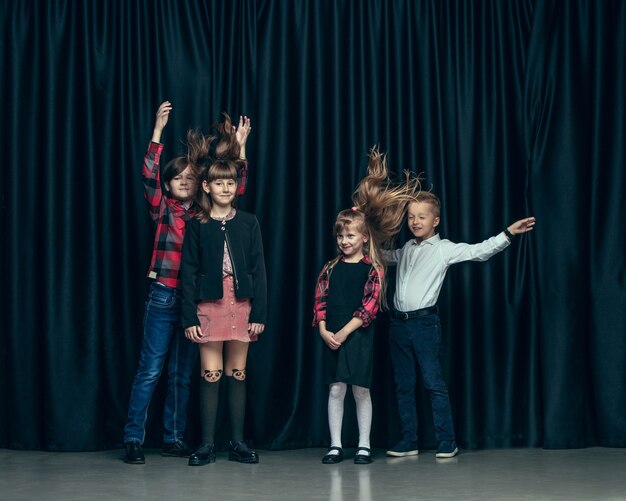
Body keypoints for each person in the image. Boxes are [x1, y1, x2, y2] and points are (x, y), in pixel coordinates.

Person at [123, 101, 251, 464]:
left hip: (196, 300)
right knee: (151, 368)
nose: (183, 182)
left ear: (199, 186)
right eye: (176, 178)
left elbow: (234, 187)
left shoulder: (203, 215)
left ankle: (173, 437)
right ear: (168, 184)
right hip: (164, 295)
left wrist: (239, 146)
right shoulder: (161, 208)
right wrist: (157, 132)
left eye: (189, 178)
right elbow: (148, 175)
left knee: (181, 371)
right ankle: (133, 437)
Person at [383, 191, 536, 459]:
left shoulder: (444, 249)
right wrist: (362, 231)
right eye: (411, 217)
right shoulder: (407, 248)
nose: (415, 222)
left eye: (422, 216)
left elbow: (479, 251)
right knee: (403, 385)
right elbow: (384, 257)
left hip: (424, 324)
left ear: (436, 220)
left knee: (433, 383)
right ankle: (409, 440)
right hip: (398, 325)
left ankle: (447, 441)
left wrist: (508, 234)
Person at [313, 148, 421, 465]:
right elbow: (319, 302)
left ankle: (363, 444)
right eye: (340, 236)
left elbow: (369, 308)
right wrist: (323, 330)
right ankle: (335, 445)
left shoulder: (373, 268)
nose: (344, 241)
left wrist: (344, 332)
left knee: (360, 389)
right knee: (336, 390)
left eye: (350, 235)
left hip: (356, 336)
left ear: (363, 238)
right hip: (331, 333)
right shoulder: (329, 268)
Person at [181, 136, 267, 466]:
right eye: (219, 183)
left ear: (236, 186)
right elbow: (187, 273)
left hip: (242, 305)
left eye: (230, 182)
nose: (225, 188)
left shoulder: (248, 222)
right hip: (209, 307)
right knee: (211, 372)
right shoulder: (197, 224)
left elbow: (259, 269)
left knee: (238, 372)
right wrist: (189, 317)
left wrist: (259, 311)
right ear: (207, 186)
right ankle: (206, 445)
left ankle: (238, 443)